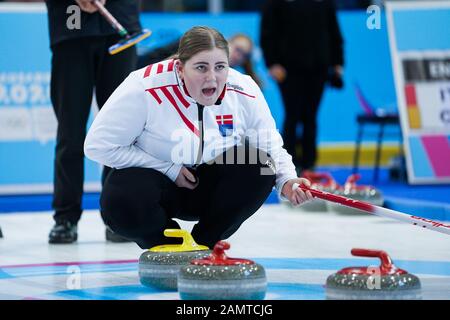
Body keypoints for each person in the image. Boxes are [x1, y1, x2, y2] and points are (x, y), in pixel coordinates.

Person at [84, 26, 314, 249]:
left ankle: (204, 245)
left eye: (220, 67)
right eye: (201, 68)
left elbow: (269, 143)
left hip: (209, 186)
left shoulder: (243, 88)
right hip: (157, 186)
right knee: (119, 200)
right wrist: (168, 168)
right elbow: (98, 145)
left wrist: (287, 180)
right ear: (180, 68)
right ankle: (168, 246)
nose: (212, 78)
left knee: (261, 165)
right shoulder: (143, 86)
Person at [46, 0, 143, 243]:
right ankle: (65, 218)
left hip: (120, 25)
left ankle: (117, 216)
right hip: (71, 25)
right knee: (70, 131)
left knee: (121, 132)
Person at [260, 0, 344, 175]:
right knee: (292, 115)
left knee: (311, 116)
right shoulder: (276, 4)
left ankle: (309, 163)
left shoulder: (324, 3)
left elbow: (334, 31)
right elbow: (267, 33)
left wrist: (337, 63)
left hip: (319, 67)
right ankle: (288, 164)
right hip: (288, 70)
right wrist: (272, 63)